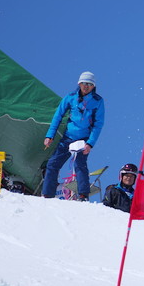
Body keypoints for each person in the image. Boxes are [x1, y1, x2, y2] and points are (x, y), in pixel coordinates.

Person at [42, 71, 105, 201]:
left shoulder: (98, 101)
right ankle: (47, 194)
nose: (86, 86)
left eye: (89, 84)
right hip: (68, 137)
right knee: (53, 164)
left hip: (84, 139)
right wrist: (50, 135)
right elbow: (58, 116)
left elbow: (98, 124)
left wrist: (90, 143)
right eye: (83, 83)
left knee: (80, 164)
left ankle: (83, 195)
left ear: (93, 86)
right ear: (79, 83)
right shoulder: (70, 97)